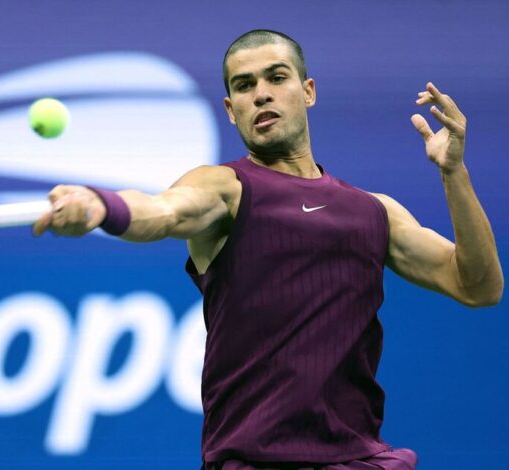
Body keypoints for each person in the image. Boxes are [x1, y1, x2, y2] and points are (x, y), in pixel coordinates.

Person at [32, 30, 503, 469]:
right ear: (231, 109)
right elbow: (162, 211)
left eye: (277, 78)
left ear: (308, 91)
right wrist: (101, 205)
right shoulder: (225, 189)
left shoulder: (375, 211)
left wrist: (453, 173)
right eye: (244, 85)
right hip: (253, 460)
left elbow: (478, 286)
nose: (261, 94)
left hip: (359, 458)